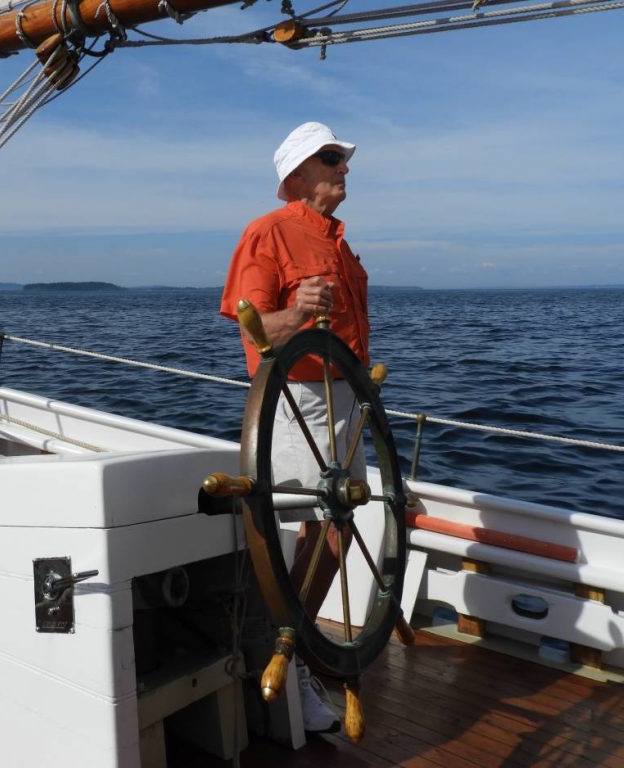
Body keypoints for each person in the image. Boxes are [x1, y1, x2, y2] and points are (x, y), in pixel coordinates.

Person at [219, 122, 370, 734]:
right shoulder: (269, 232)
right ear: (298, 175)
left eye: (342, 159)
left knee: (337, 531)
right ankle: (295, 653)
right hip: (301, 399)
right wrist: (298, 311)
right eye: (333, 158)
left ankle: (299, 645)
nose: (345, 168)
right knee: (318, 533)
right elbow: (254, 331)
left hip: (346, 402)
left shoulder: (338, 244)